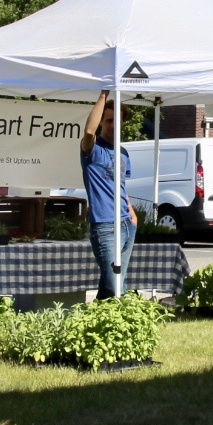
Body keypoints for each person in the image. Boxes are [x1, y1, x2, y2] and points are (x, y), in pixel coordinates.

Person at [81, 90, 137, 299]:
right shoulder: (93, 149)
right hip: (104, 225)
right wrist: (104, 93)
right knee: (114, 286)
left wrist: (132, 215)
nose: (114, 125)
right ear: (102, 123)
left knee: (113, 284)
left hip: (126, 223)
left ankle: (100, 324)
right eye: (109, 120)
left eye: (118, 120)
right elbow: (88, 132)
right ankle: (110, 320)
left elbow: (121, 186)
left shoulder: (123, 153)